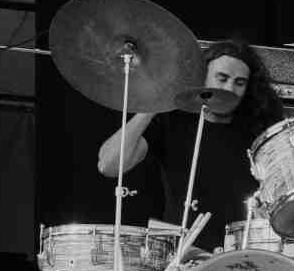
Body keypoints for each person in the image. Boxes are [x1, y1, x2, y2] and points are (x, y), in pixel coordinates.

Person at [97, 39, 284, 252]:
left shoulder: (259, 128)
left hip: (243, 253)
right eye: (221, 78)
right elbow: (108, 165)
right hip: (180, 255)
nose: (229, 88)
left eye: (239, 83)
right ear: (201, 77)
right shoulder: (173, 120)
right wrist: (155, 103)